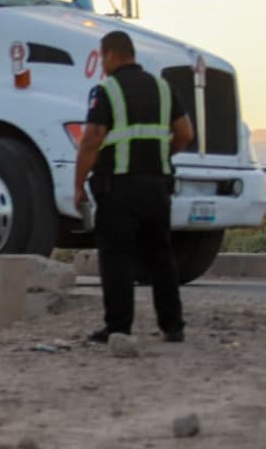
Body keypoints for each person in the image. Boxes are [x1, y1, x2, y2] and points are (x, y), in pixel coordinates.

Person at [73, 30, 194, 344]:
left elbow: (91, 141)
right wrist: (163, 153)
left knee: (117, 258)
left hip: (119, 188)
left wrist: (78, 185)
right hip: (157, 187)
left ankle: (119, 327)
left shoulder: (107, 90)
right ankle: (173, 325)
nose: (102, 65)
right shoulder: (164, 88)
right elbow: (185, 134)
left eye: (103, 58)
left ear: (111, 55)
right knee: (160, 256)